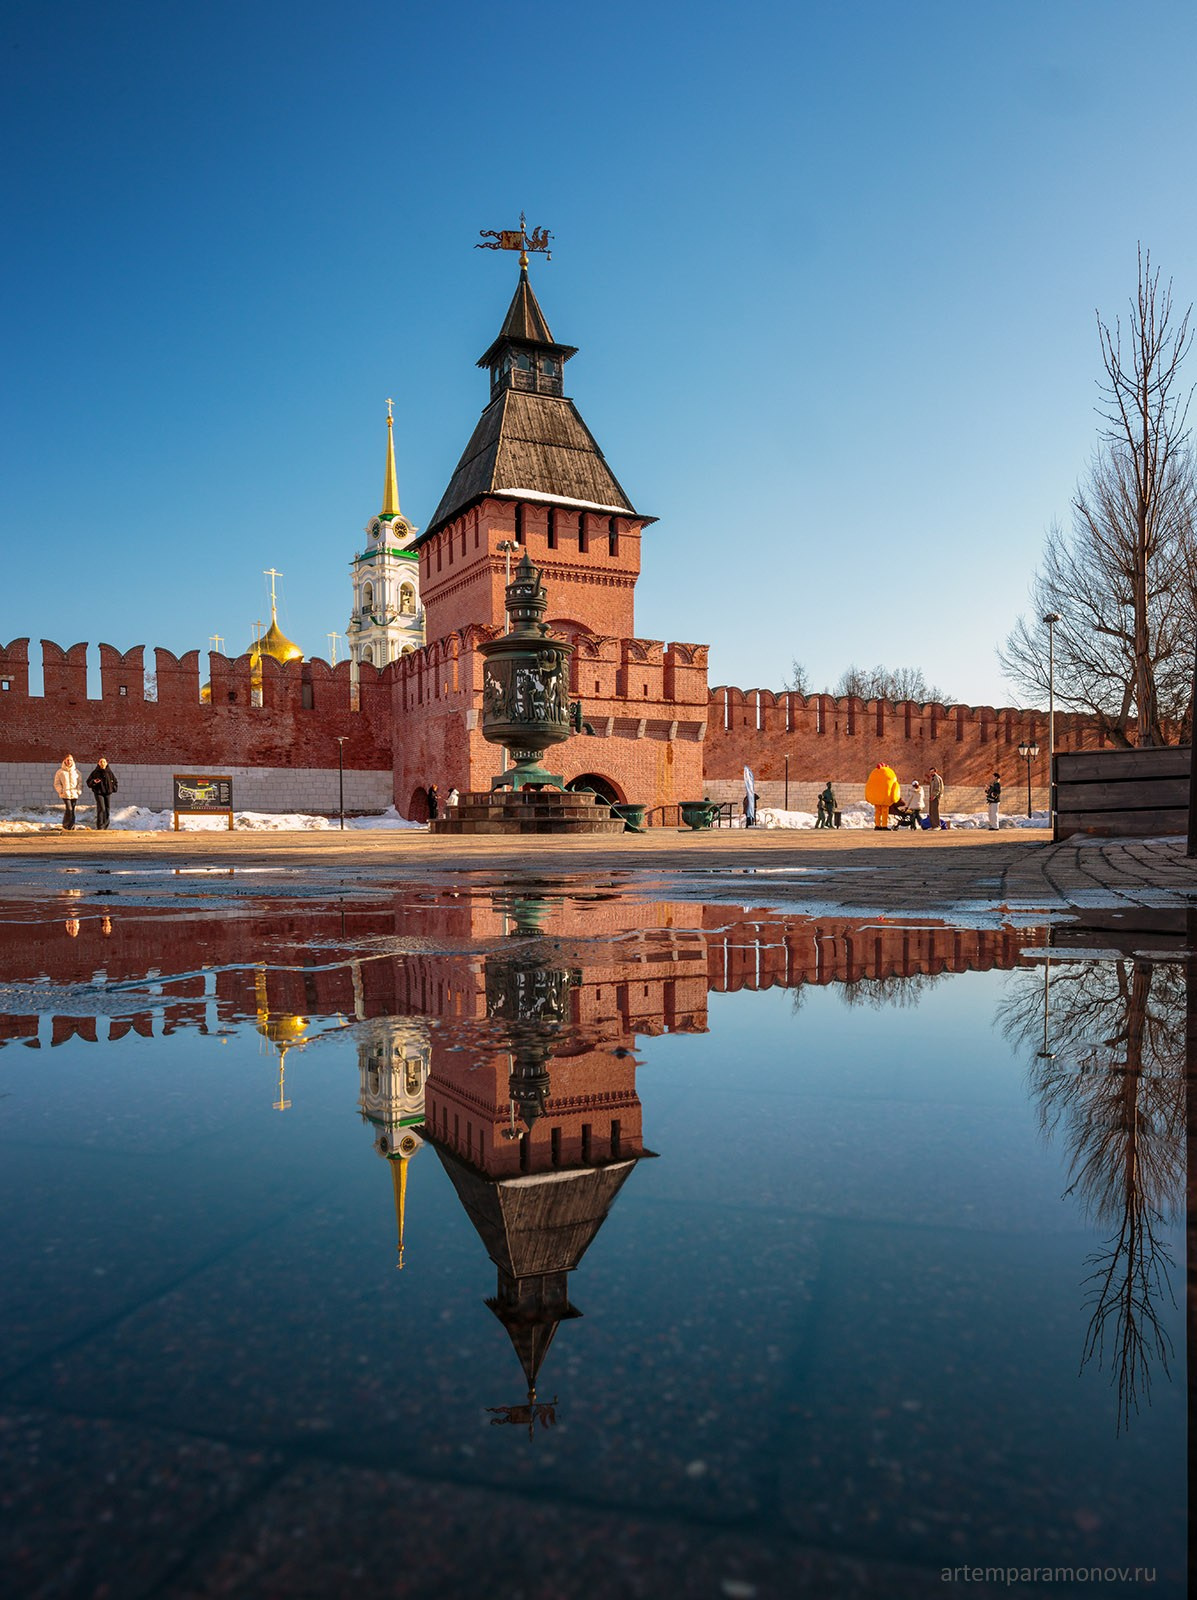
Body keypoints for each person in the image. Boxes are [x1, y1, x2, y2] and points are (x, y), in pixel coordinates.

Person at [86, 757, 119, 830]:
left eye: (104, 762)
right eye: (101, 762)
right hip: (98, 793)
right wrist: (94, 782)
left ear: (106, 763)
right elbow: (88, 782)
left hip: (107, 793)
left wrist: (113, 788)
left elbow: (115, 781)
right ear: (98, 763)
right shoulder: (95, 772)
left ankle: (106, 825)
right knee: (101, 808)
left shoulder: (109, 772)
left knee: (107, 809)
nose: (102, 763)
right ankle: (100, 826)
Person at [53, 754, 82, 830]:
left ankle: (71, 826)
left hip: (74, 793)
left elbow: (80, 783)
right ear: (65, 760)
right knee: (69, 809)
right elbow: (57, 783)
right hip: (65, 794)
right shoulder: (60, 772)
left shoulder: (77, 772)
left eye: (70, 760)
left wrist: (78, 791)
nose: (69, 761)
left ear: (73, 761)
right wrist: (61, 790)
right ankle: (66, 824)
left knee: (72, 809)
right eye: (67, 760)